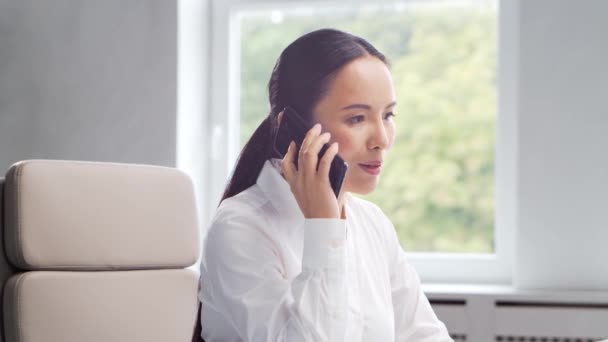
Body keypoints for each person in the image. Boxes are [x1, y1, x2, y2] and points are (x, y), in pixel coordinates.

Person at [195, 28, 453, 342]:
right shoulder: (240, 228)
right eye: (357, 118)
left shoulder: (372, 224)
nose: (381, 139)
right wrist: (323, 226)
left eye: (388, 115)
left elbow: (425, 336)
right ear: (294, 129)